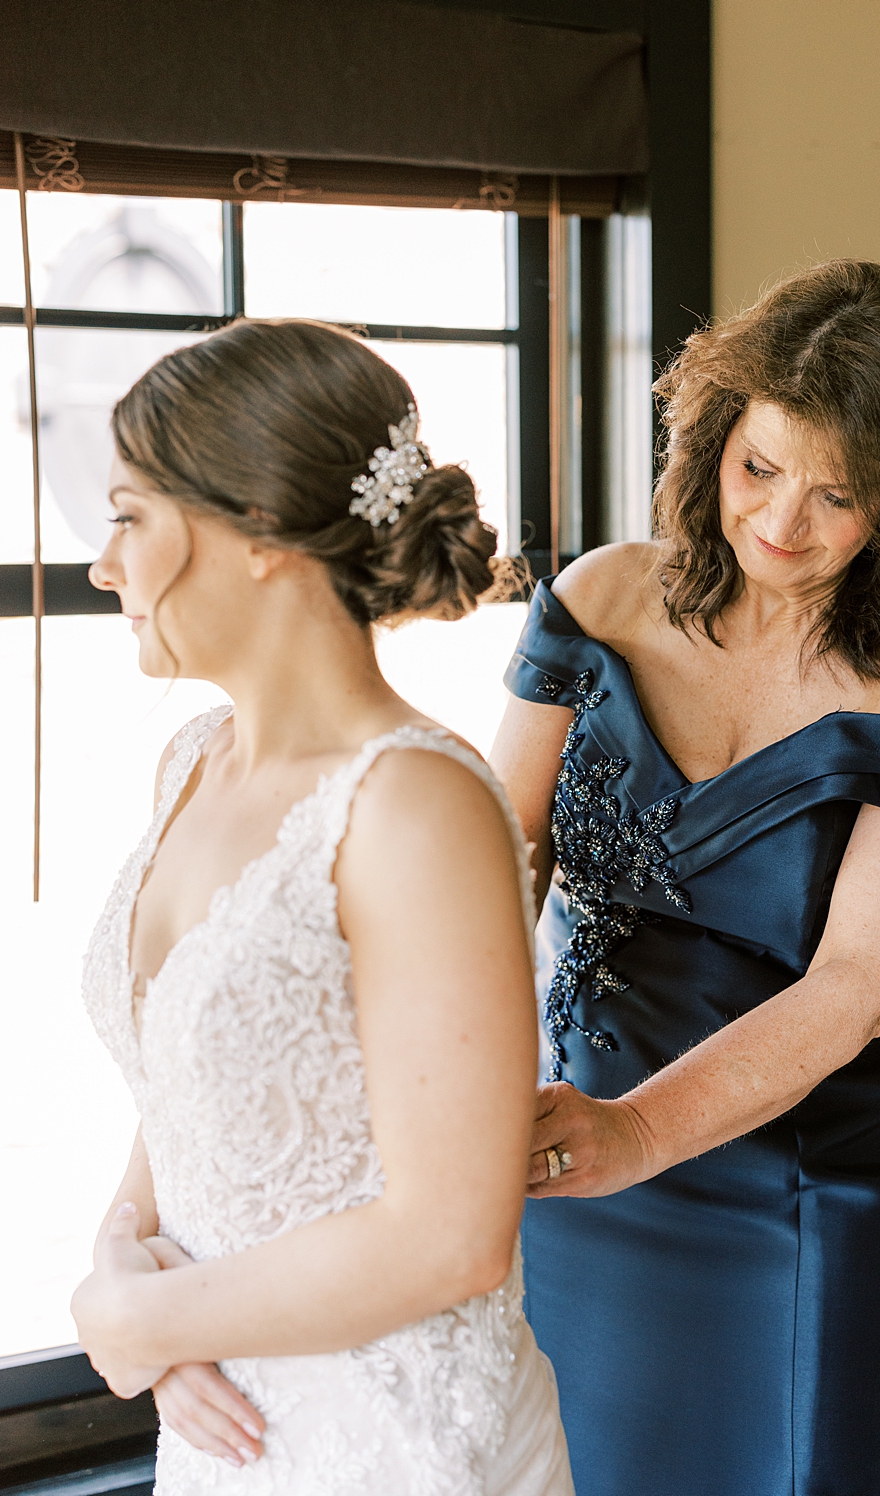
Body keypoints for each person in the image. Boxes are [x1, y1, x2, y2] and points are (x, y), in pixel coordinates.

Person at [487, 259, 880, 1495]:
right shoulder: (600, 598)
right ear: (714, 435)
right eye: (758, 468)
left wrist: (641, 1129)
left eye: (839, 495)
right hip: (562, 1150)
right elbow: (493, 863)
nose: (781, 523)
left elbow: (868, 980)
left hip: (799, 1181)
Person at [70, 319, 571, 1493]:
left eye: (131, 516)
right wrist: (119, 1256)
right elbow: (193, 1076)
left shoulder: (416, 805)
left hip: (393, 1440)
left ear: (254, 533)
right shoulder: (192, 760)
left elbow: (453, 1232)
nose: (105, 565)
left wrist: (147, 1318)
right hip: (225, 1425)